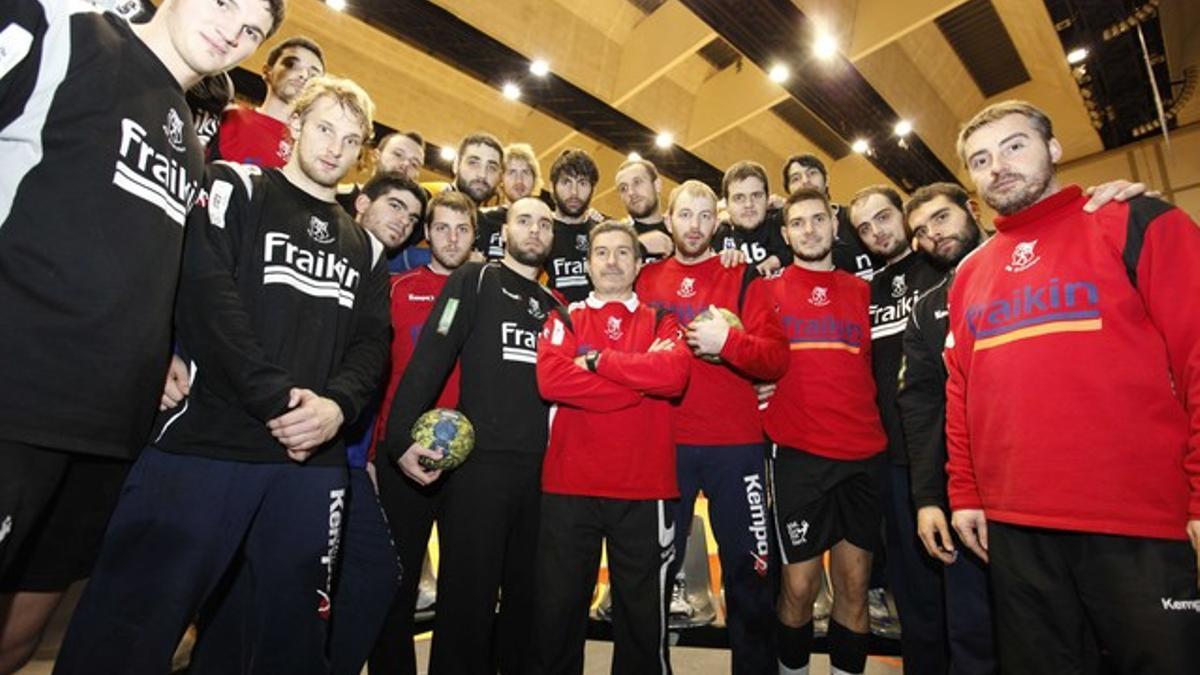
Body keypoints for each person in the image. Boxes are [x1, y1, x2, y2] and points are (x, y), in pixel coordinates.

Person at [53, 76, 389, 675]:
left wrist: (337, 408)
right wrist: (277, 400)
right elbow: (207, 297)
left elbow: (371, 345)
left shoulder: (365, 247)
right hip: (205, 444)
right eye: (324, 128)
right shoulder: (235, 185)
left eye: (350, 138)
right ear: (295, 129)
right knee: (128, 627)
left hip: (310, 466)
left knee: (285, 644)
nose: (335, 147)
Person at [0, 0, 282, 671]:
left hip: (106, 423)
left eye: (252, 30)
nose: (233, 30)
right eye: (225, 3)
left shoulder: (188, 135)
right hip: (17, 393)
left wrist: (162, 349)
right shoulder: (67, 30)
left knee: (23, 633)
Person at [947, 99, 1200, 674]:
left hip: (1138, 523)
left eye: (1015, 146)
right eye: (981, 159)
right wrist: (965, 491)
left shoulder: (1139, 221)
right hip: (1016, 529)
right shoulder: (970, 274)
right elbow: (962, 389)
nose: (999, 166)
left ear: (1054, 149)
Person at [382, 197, 561, 674]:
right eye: (525, 220)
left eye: (545, 223)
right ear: (504, 230)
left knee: (525, 603)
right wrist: (398, 439)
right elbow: (431, 357)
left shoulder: (556, 306)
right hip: (480, 473)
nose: (535, 230)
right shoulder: (475, 280)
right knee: (467, 605)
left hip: (540, 477)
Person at [636, 179, 789, 675]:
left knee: (750, 571)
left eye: (705, 216)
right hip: (666, 443)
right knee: (653, 572)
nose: (695, 226)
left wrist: (729, 343)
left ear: (717, 222)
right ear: (669, 219)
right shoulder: (647, 279)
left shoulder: (744, 277)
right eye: (685, 215)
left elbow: (775, 359)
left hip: (736, 446)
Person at [533, 220, 691, 674]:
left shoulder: (662, 320)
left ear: (639, 264)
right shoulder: (563, 317)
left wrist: (599, 362)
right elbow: (551, 379)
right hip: (569, 485)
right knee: (557, 614)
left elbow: (674, 375)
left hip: (645, 488)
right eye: (602, 253)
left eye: (623, 253)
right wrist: (635, 385)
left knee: (643, 621)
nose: (612, 262)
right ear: (587, 264)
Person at [763, 188, 886, 675]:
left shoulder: (863, 292)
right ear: (786, 232)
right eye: (799, 222)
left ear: (837, 228)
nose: (810, 230)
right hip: (798, 458)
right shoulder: (766, 292)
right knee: (798, 588)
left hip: (863, 458)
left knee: (855, 590)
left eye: (819, 220)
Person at [366, 190, 476, 675]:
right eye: (442, 227)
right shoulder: (395, 287)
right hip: (402, 456)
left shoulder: (487, 292)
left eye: (463, 228)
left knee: (465, 587)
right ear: (426, 233)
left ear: (476, 236)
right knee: (395, 582)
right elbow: (373, 372)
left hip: (471, 467)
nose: (452, 238)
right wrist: (375, 451)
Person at [897, 182, 995, 674]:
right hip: (962, 498)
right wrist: (929, 498)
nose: (932, 235)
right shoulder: (927, 308)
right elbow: (921, 410)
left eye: (940, 218)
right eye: (920, 230)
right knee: (972, 638)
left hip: (1045, 491)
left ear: (971, 210)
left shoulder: (1025, 265)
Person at [847, 184, 946, 671]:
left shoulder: (946, 267)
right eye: (864, 228)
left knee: (972, 593)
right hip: (893, 461)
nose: (876, 232)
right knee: (915, 594)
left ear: (905, 216)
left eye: (883, 218)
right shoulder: (867, 293)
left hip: (954, 457)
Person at [208, 35, 325, 167]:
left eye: (314, 75)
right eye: (291, 64)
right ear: (267, 70)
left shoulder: (316, 150)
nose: (303, 75)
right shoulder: (228, 117)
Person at [782, 154, 878, 279]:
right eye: (796, 178)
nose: (805, 181)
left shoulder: (855, 218)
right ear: (789, 191)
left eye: (812, 173)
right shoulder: (788, 233)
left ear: (826, 179)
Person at [545, 149, 606, 303]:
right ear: (552, 187)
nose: (574, 192)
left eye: (582, 183)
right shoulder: (539, 231)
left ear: (594, 189)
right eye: (566, 182)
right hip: (550, 323)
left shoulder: (604, 233)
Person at [713, 161, 792, 276]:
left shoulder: (786, 226)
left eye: (756, 195)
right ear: (726, 204)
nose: (749, 204)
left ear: (768, 199)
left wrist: (780, 259)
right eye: (739, 198)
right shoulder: (715, 236)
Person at [614, 157, 673, 263]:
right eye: (623, 188)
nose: (631, 192)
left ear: (657, 185)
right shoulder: (616, 239)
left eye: (637, 182)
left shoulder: (681, 233)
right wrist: (639, 246)